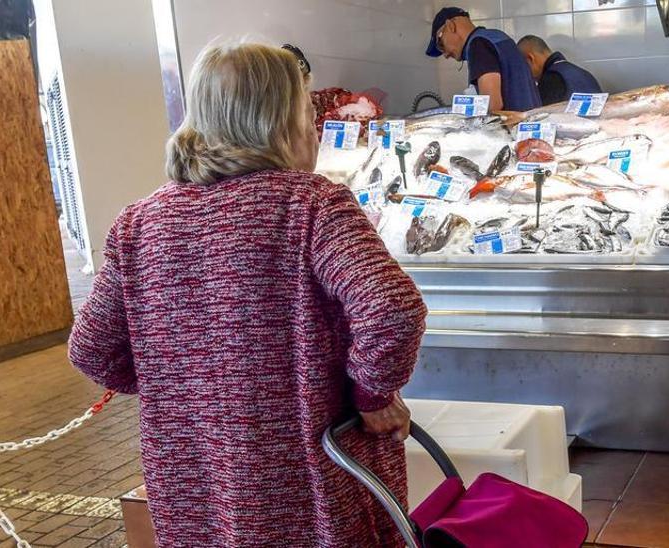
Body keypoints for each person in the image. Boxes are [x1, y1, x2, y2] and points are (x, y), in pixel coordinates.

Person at [68, 40, 428, 547]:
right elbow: (392, 310)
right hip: (313, 481)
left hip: (195, 492)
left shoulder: (138, 224)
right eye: (306, 110)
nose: (313, 127)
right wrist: (370, 395)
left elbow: (91, 350)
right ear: (281, 118)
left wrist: (185, 391)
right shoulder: (310, 204)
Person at [426, 7, 541, 112]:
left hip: (514, 131)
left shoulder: (478, 44)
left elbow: (492, 104)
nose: (445, 55)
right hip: (528, 125)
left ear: (451, 26)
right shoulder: (497, 37)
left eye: (440, 44)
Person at [517, 35, 603, 106]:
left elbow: (544, 117)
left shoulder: (552, 78)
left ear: (530, 59)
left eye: (523, 67)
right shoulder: (584, 73)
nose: (527, 75)